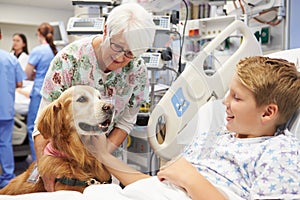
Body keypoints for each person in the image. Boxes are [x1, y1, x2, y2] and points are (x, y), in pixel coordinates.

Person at [93, 56, 300, 199]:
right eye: (228, 93)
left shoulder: (280, 152)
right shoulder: (214, 138)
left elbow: (184, 180)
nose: (225, 102)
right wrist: (103, 156)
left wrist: (190, 178)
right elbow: (155, 186)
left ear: (267, 113)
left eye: (236, 97)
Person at [32, 3, 156, 192]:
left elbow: (125, 122)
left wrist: (100, 155)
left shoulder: (137, 71)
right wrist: (46, 171)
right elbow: (44, 123)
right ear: (105, 30)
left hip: (104, 157)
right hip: (61, 160)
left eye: (131, 52)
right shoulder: (68, 60)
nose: (122, 58)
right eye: (117, 46)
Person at [25, 22, 58, 162]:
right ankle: (50, 162)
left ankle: (37, 165)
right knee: (51, 131)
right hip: (54, 95)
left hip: (39, 93)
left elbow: (26, 74)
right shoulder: (56, 51)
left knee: (34, 129)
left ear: (39, 34)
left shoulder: (38, 51)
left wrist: (35, 75)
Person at [0, 48, 26, 189]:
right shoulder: (10, 59)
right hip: (5, 109)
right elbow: (19, 84)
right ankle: (7, 177)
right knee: (5, 144)